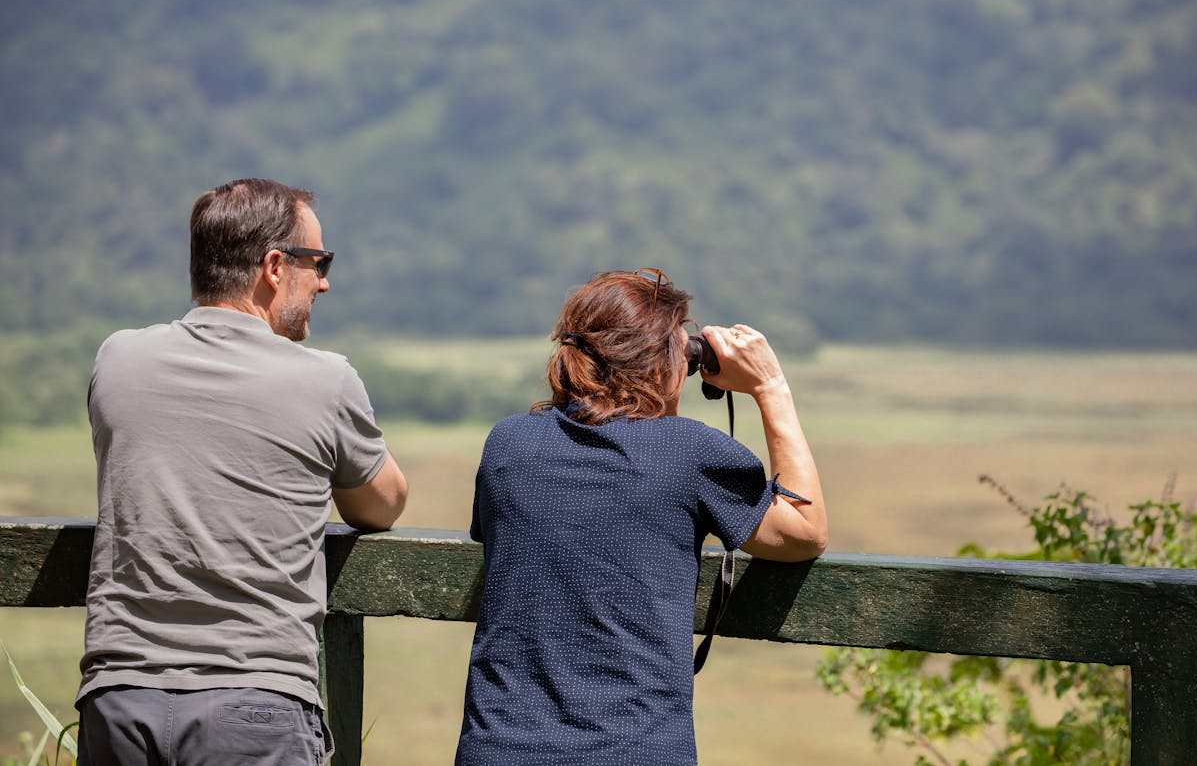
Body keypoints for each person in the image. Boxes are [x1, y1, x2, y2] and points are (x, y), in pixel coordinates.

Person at [76, 178, 409, 765]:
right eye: (319, 261)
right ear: (275, 267)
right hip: (257, 699)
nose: (326, 280)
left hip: (119, 695)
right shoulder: (326, 380)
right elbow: (380, 505)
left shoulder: (118, 358)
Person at [455, 269, 827, 765]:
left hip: (497, 746)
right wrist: (770, 386)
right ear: (659, 362)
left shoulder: (507, 442)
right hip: (633, 750)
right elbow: (805, 532)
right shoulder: (688, 451)